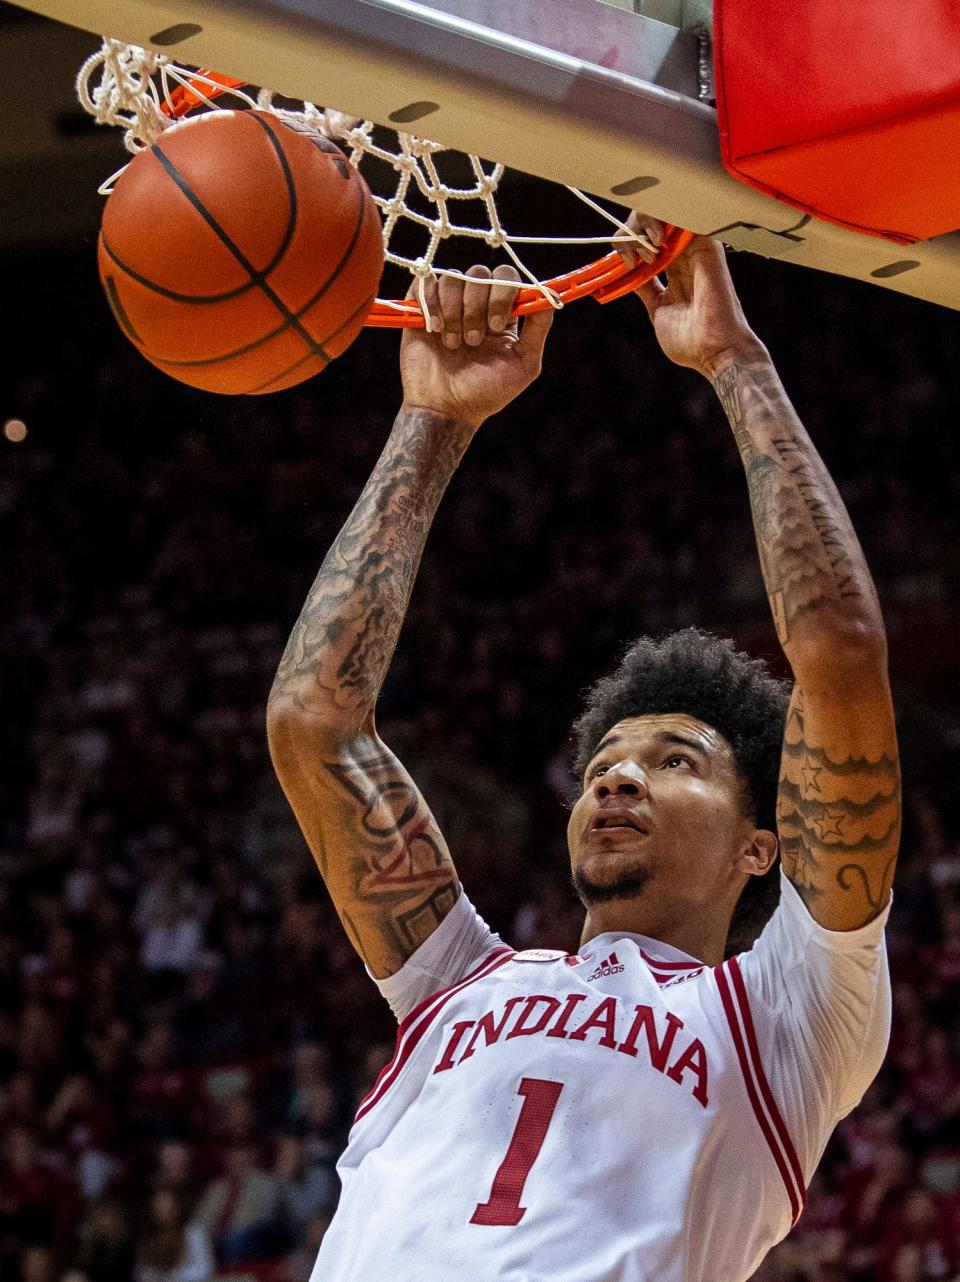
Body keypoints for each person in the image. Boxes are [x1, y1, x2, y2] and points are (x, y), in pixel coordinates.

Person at [266, 234, 900, 1280]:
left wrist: (737, 361)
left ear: (759, 847)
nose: (618, 775)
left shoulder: (790, 1012)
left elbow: (839, 655)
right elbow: (315, 726)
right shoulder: (457, 979)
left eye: (676, 760)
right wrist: (433, 420)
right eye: (608, 757)